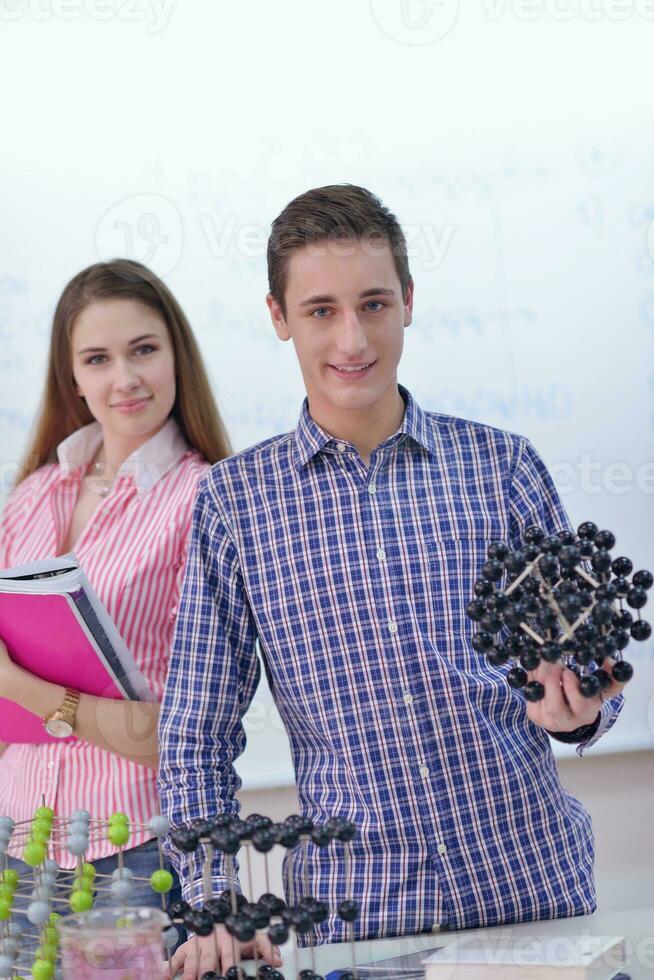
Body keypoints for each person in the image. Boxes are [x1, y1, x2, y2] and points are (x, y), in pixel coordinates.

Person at [158, 185, 627, 979]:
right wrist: (210, 899)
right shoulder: (235, 504)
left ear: (409, 301)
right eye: (320, 311)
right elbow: (195, 735)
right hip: (363, 925)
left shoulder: (502, 468)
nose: (352, 338)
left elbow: (577, 681)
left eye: (374, 303)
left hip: (535, 899)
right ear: (278, 317)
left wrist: (577, 712)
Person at [0, 259, 231, 938]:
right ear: (72, 376)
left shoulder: (206, 499)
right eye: (98, 359)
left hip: (133, 846)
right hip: (16, 841)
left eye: (143, 351)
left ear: (176, 357)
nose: (123, 379)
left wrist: (28, 691)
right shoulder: (33, 494)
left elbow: (188, 736)